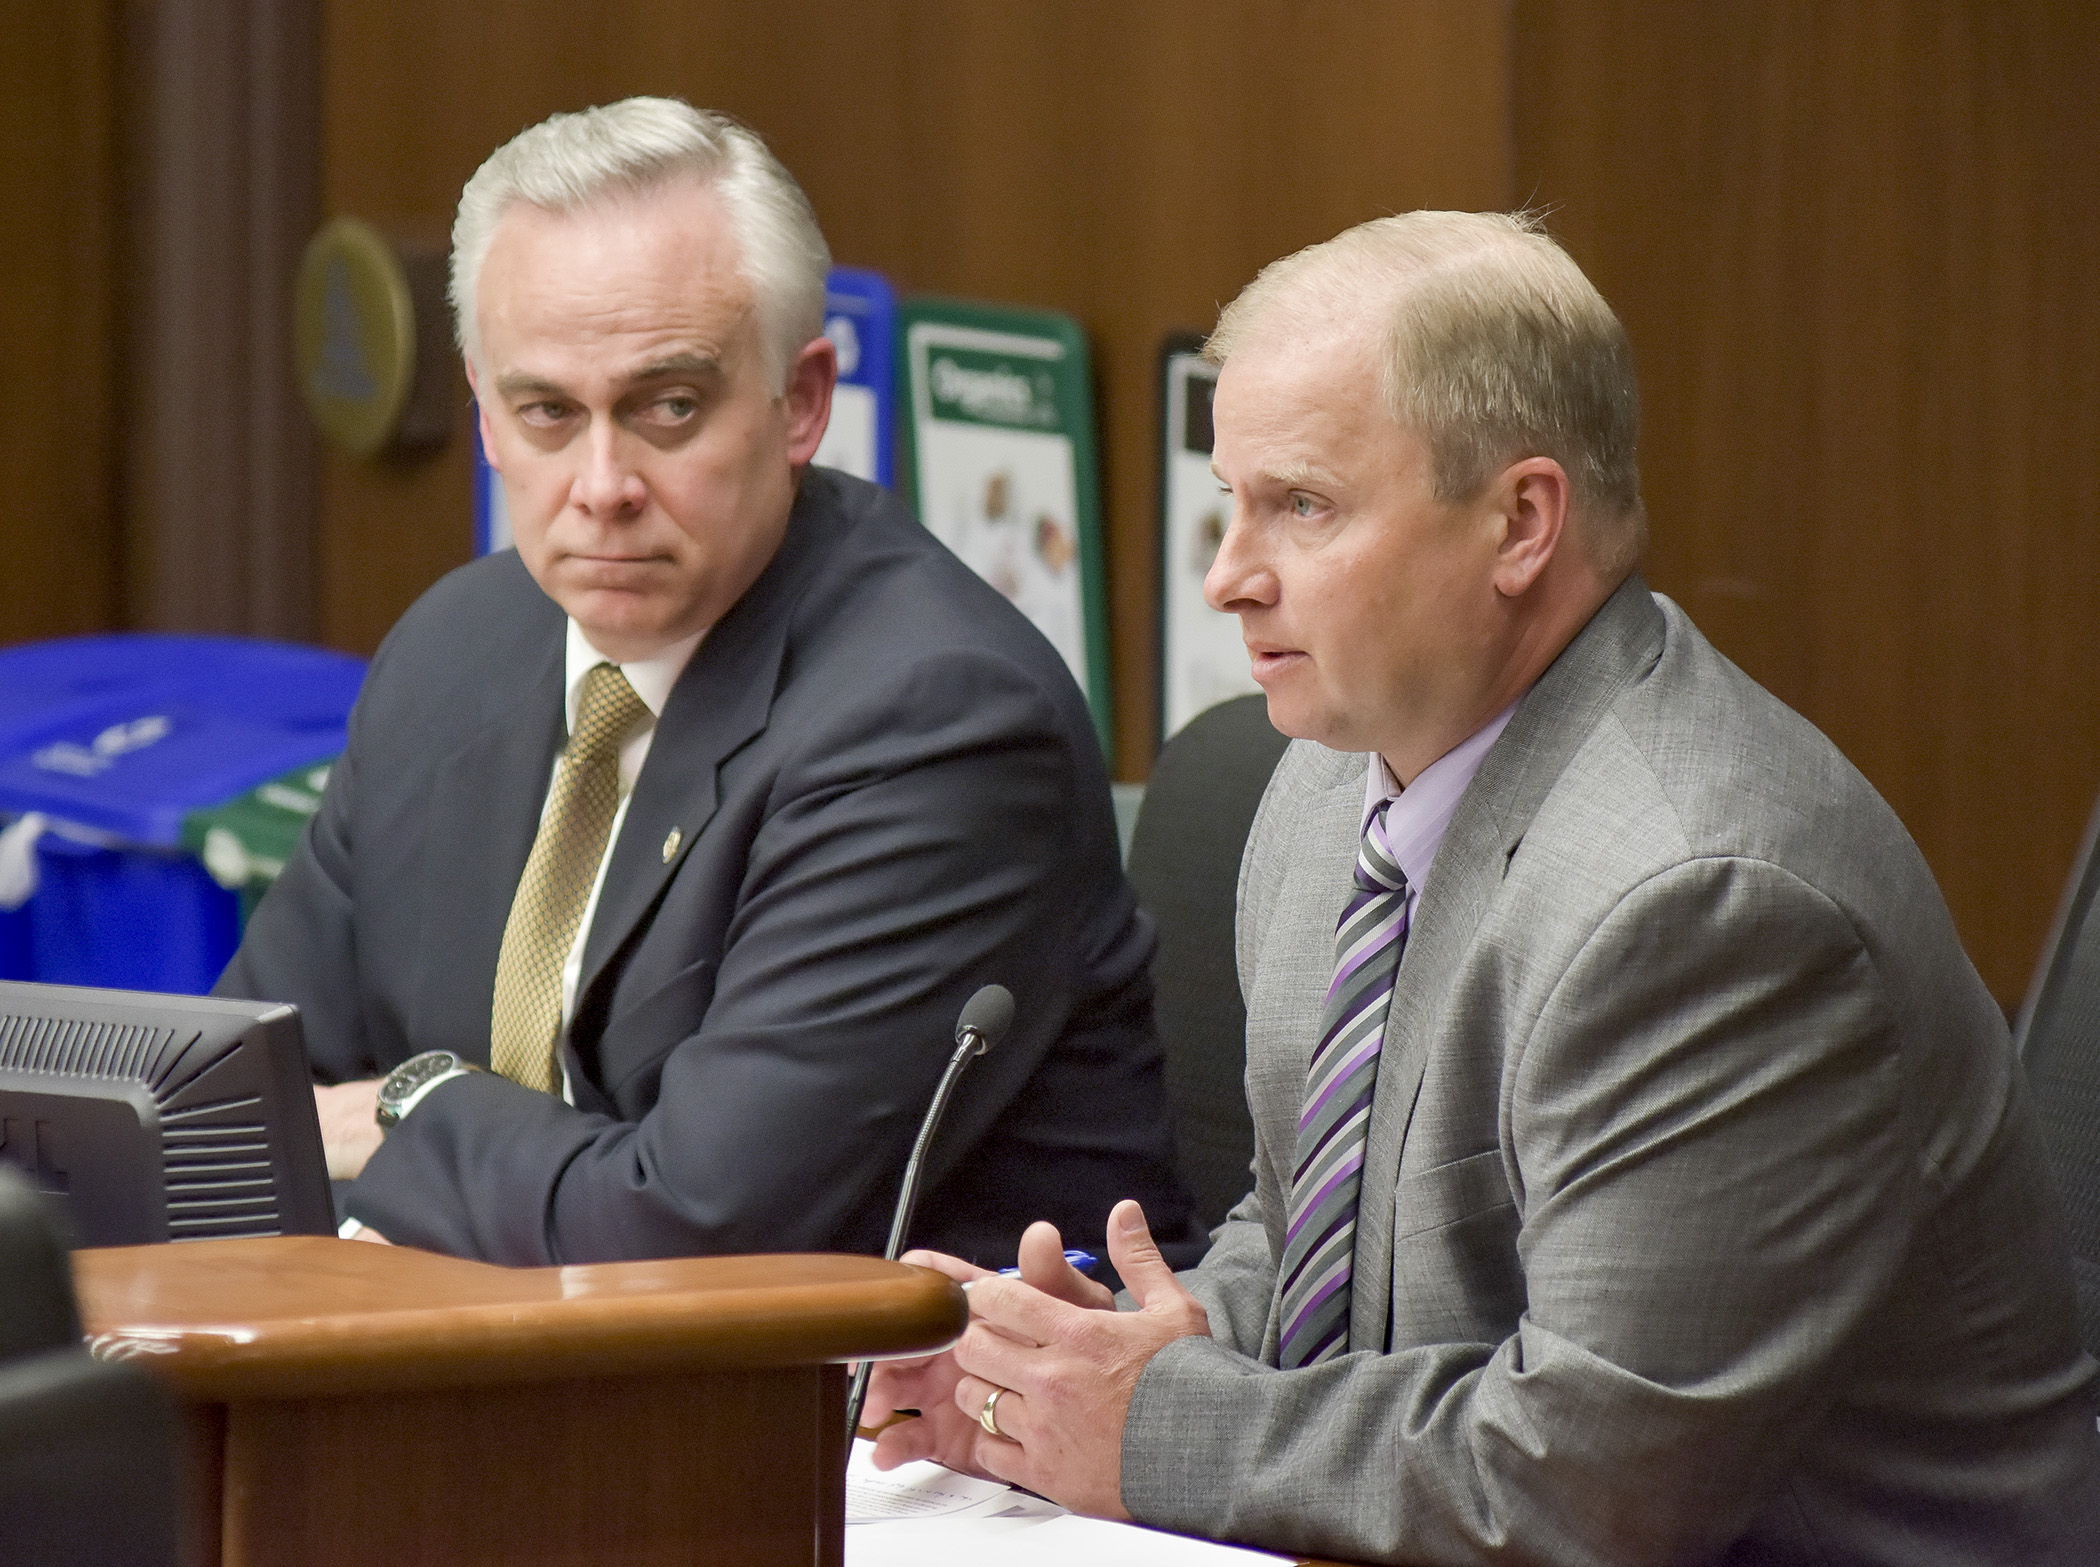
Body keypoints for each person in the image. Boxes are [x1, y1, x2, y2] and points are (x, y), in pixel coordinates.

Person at [866, 212, 2100, 1564]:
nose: (1227, 575)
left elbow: (1581, 1479)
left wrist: (1153, 1421)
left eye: (1303, 505)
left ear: (1520, 520)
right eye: (1232, 498)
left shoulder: (1706, 901)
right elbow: (1312, 1221)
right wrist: (1123, 1346)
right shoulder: (1340, 779)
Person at [217, 97, 1196, 1270]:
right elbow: (234, 1097)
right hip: (489, 1374)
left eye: (667, 408)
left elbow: (687, 1225)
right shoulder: (456, 647)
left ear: (802, 403)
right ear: (483, 413)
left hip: (870, 1422)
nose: (603, 484)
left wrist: (406, 1107)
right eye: (546, 414)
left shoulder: (937, 720)